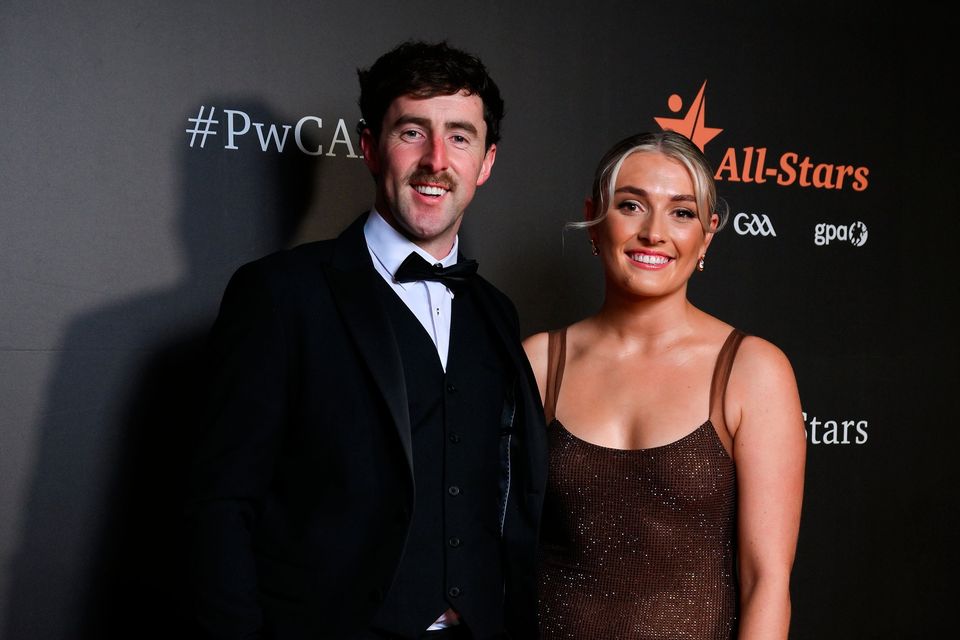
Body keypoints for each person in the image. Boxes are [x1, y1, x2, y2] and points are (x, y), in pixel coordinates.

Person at [185, 40, 547, 640]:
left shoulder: (496, 313)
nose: (437, 159)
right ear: (370, 147)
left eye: (460, 137)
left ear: (485, 163)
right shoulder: (279, 295)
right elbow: (220, 509)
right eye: (412, 132)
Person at [523, 131, 806, 639]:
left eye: (681, 212)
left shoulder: (752, 370)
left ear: (709, 233)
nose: (654, 232)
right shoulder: (540, 361)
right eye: (631, 205)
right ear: (595, 217)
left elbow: (766, 580)